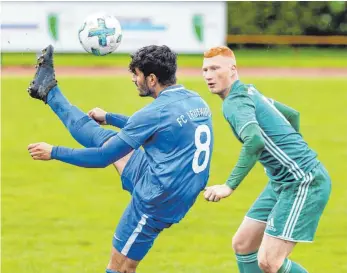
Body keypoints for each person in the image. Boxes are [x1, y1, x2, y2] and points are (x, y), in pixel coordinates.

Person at [27, 44, 214, 273]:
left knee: (121, 267)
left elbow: (104, 158)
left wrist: (54, 152)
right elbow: (158, 128)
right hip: (172, 179)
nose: (134, 80)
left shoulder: (155, 113)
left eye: (136, 75)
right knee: (105, 138)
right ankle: (48, 91)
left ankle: (48, 92)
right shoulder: (195, 101)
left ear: (152, 79)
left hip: (158, 198)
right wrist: (110, 117)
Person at [202, 46, 331, 273]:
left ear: (233, 69)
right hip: (281, 180)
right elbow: (292, 114)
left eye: (215, 68)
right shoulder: (249, 91)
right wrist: (287, 156)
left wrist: (228, 186)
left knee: (270, 261)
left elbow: (254, 141)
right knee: (243, 244)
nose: (208, 75)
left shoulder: (235, 102)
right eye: (205, 70)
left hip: (303, 181)